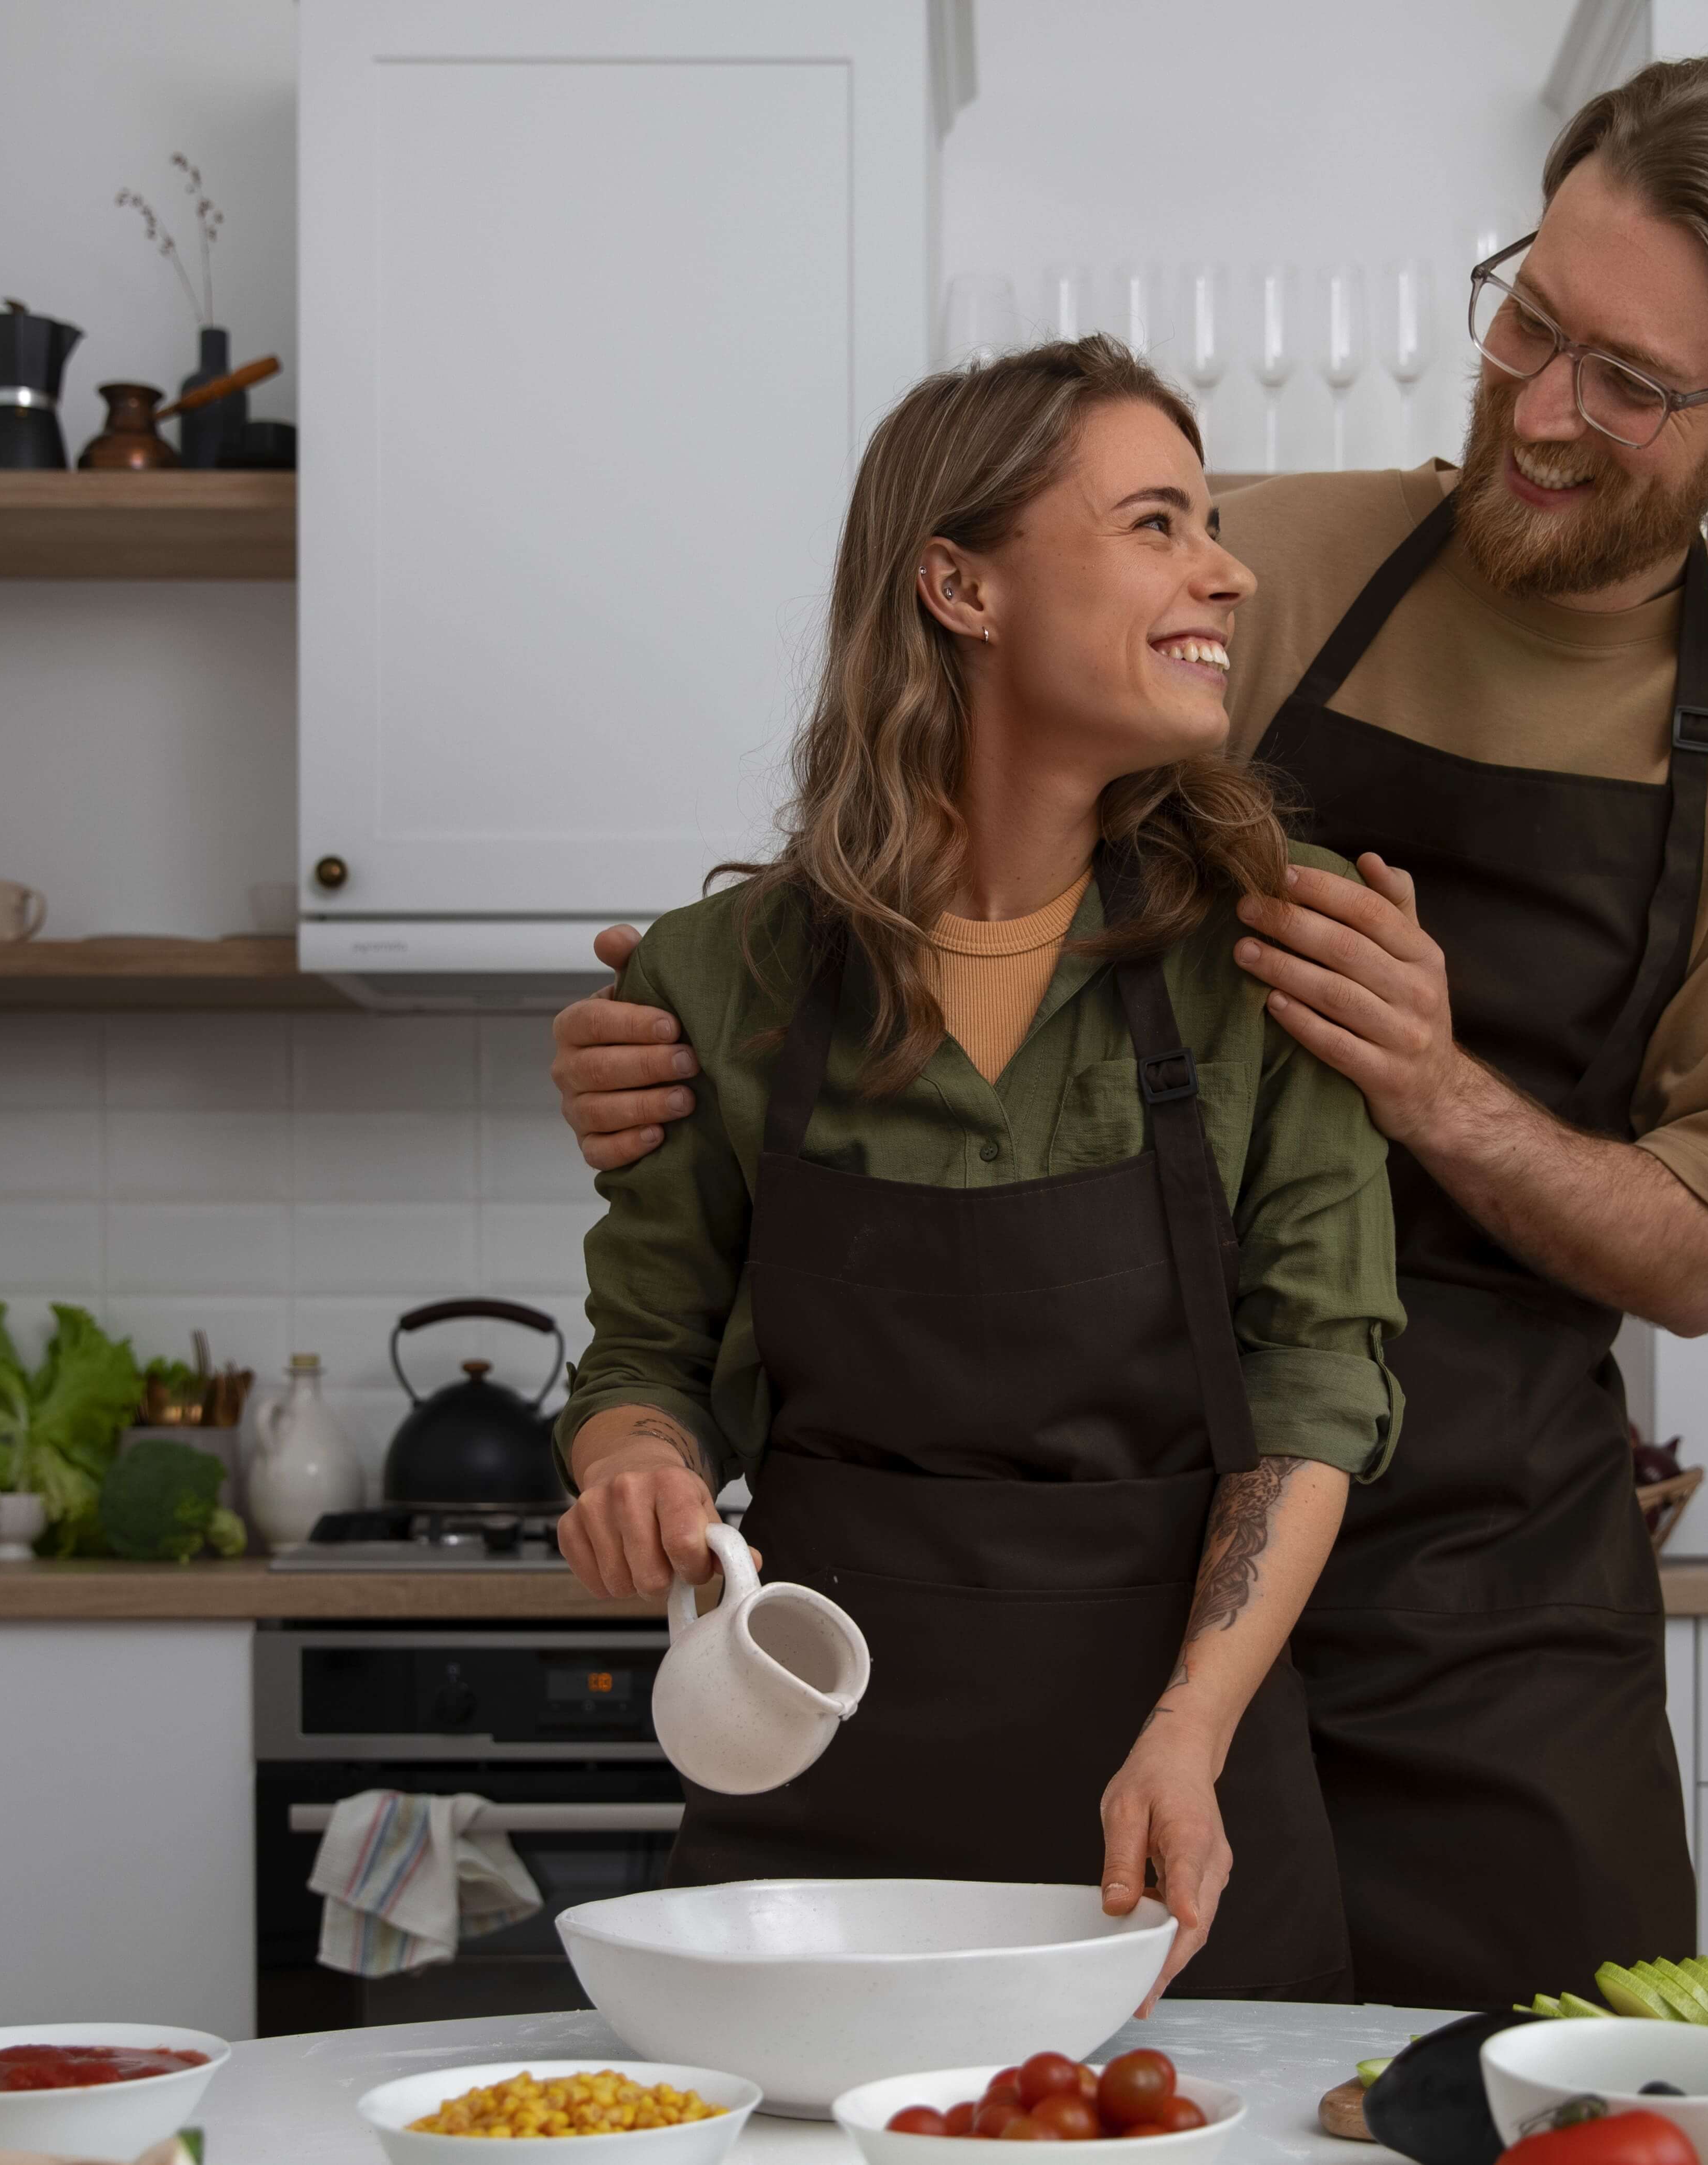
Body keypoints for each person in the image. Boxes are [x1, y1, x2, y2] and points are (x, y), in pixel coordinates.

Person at [552, 57, 1708, 2007]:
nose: (1533, 409)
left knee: (1540, 2093)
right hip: (1134, 1588)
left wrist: (1437, 1091)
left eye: (1627, 382)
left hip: (1489, 1603)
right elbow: (949, 827)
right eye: (1529, 318)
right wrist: (682, 1030)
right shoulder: (1274, 574)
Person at [549, 335, 1404, 2009]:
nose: (1223, 569)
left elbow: (1318, 1385)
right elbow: (643, 1362)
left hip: (1168, 1812)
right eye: (1157, 522)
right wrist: (630, 1468)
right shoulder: (719, 978)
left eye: (1207, 522)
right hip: (817, 1830)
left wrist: (1189, 1730)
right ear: (960, 584)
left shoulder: (1278, 942)